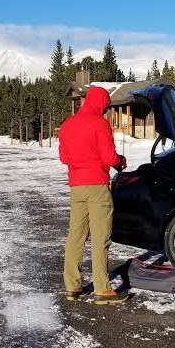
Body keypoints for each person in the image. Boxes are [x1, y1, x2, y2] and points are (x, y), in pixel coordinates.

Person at [58, 85, 127, 304]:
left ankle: (72, 286)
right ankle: (102, 289)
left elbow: (64, 157)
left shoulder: (68, 125)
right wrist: (120, 161)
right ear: (100, 103)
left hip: (76, 187)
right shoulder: (99, 123)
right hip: (97, 185)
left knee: (75, 236)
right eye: (106, 106)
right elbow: (109, 157)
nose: (106, 110)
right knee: (100, 237)